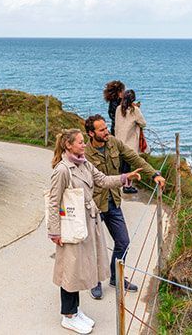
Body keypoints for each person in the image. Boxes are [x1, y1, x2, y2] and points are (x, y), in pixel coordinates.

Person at [47, 128, 143, 334]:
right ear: (68, 145)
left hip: (87, 222)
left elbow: (103, 180)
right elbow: (53, 202)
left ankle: (75, 310)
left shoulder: (84, 163)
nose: (84, 145)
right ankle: (68, 316)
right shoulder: (63, 170)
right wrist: (55, 232)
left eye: (83, 141)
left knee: (80, 267)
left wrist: (125, 176)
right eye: (80, 142)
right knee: (70, 270)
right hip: (71, 226)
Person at [84, 115, 166, 300]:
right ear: (91, 133)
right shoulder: (85, 153)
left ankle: (116, 277)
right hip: (94, 205)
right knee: (95, 247)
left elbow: (133, 157)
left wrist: (154, 174)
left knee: (123, 242)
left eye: (106, 128)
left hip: (113, 201)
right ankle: (95, 282)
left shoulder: (113, 142)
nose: (106, 132)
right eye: (101, 130)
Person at [104, 80, 138, 194]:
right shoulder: (117, 104)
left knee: (120, 158)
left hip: (116, 132)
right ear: (119, 92)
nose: (124, 92)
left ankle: (120, 181)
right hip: (122, 134)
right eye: (123, 90)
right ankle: (126, 185)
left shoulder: (116, 102)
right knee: (126, 159)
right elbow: (121, 118)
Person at [114, 89, 148, 156]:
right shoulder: (135, 110)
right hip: (130, 144)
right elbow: (143, 124)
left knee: (122, 164)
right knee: (129, 163)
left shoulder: (118, 108)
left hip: (118, 142)